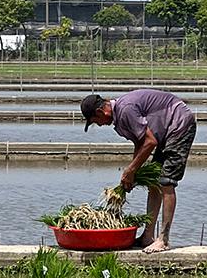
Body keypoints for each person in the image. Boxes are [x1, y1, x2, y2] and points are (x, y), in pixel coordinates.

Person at [79, 89, 196, 252]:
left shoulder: (125, 110)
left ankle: (163, 239)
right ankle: (147, 237)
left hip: (178, 124)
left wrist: (131, 170)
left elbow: (150, 142)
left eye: (95, 120)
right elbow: (140, 143)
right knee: (153, 183)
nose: (99, 124)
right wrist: (133, 172)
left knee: (166, 182)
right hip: (165, 131)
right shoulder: (119, 120)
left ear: (101, 111)